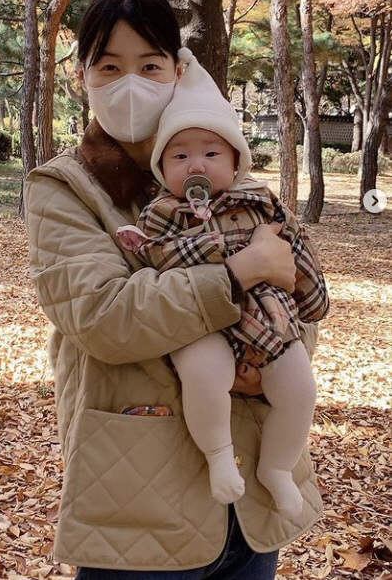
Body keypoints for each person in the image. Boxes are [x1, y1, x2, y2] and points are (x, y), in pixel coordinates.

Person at [24, 0, 322, 579]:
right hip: (139, 496)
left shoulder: (230, 176)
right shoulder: (66, 189)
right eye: (109, 66)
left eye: (149, 65)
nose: (129, 82)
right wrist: (239, 273)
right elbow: (106, 318)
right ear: (83, 75)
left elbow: (297, 296)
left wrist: (266, 364)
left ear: (178, 70)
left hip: (252, 495)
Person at [116, 50, 329, 522]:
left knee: (300, 391)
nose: (196, 164)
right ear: (162, 169)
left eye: (211, 153)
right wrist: (230, 255)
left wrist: (312, 302)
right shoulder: (162, 214)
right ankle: (218, 456)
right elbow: (159, 259)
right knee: (205, 375)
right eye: (179, 155)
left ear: (235, 162)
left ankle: (277, 467)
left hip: (269, 320)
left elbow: (296, 254)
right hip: (203, 323)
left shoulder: (264, 204)